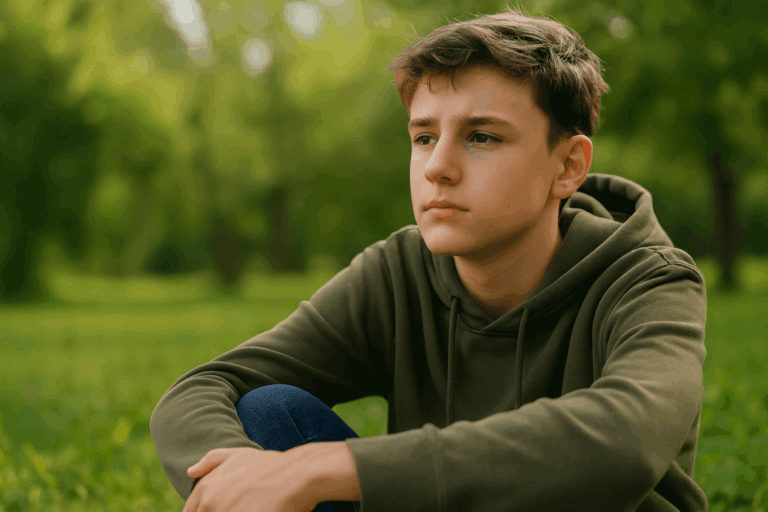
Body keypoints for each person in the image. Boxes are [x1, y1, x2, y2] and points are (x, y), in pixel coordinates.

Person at [150, 7, 708, 512]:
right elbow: (204, 388)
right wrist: (240, 476)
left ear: (567, 166)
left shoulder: (650, 280)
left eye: (482, 137)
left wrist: (336, 468)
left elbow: (624, 440)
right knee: (270, 411)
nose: (437, 166)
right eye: (423, 137)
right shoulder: (398, 272)